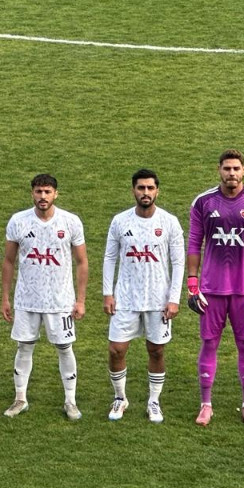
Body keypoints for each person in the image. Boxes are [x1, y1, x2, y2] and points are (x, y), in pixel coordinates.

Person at [187, 149, 244, 427]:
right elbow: (194, 242)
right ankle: (206, 404)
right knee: (209, 343)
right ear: (219, 170)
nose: (231, 173)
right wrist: (192, 283)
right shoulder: (203, 202)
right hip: (211, 289)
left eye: (236, 168)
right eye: (227, 169)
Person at [0, 174, 89, 419]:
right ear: (32, 193)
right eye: (38, 192)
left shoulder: (70, 222)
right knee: (24, 346)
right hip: (27, 299)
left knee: (64, 347)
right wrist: (5, 298)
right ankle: (20, 399)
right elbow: (8, 261)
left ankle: (70, 401)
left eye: (47, 192)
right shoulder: (19, 221)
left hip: (60, 301)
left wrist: (80, 300)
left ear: (55, 194)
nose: (43, 197)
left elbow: (82, 262)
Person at [101, 169, 184, 423]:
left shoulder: (169, 222)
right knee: (116, 350)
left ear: (157, 191)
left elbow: (178, 262)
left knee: (156, 350)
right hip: (125, 297)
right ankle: (120, 397)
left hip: (158, 299)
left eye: (150, 188)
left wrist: (174, 298)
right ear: (133, 190)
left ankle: (153, 401)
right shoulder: (120, 221)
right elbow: (110, 257)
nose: (145, 192)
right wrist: (107, 293)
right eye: (141, 188)